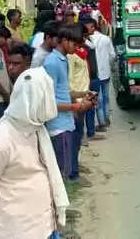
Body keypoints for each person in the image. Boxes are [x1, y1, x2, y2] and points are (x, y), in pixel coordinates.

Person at [0, 67, 69, 238]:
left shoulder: (36, 128)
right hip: (18, 229)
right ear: (36, 101)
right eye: (46, 97)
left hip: (45, 224)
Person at [43, 27, 94, 179]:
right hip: (58, 125)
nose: (77, 48)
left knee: (65, 166)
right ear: (64, 41)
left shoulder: (63, 60)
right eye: (75, 44)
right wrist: (76, 106)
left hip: (66, 122)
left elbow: (64, 92)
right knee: (61, 171)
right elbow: (49, 100)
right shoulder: (52, 62)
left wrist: (83, 95)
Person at [67, 25, 96, 185]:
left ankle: (76, 165)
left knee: (78, 136)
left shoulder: (81, 53)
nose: (85, 39)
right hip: (76, 101)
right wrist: (74, 103)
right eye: (83, 37)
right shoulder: (71, 57)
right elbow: (70, 81)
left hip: (84, 97)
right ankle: (73, 173)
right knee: (74, 137)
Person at [85, 18, 115, 131]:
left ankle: (101, 122)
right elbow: (112, 55)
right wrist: (109, 65)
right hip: (105, 72)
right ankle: (107, 119)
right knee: (106, 97)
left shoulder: (87, 41)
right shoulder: (106, 38)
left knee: (99, 99)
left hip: (94, 73)